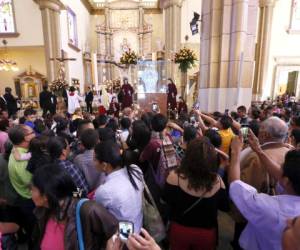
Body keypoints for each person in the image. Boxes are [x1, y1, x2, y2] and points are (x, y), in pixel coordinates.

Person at [229, 135, 300, 250]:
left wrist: (235, 152)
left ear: (287, 180)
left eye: (282, 167)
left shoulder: (268, 206)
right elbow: (282, 177)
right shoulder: (293, 184)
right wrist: (259, 150)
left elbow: (235, 185)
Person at [31, 164, 118, 250]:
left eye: (33, 189)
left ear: (46, 196)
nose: (30, 193)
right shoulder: (43, 211)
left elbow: (119, 232)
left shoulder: (89, 210)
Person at [163, 138, 229, 250]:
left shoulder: (174, 177)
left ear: (188, 157)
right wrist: (223, 166)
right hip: (206, 234)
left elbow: (165, 200)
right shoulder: (217, 182)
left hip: (180, 230)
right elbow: (225, 207)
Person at [94, 140, 144, 233]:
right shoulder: (135, 169)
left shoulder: (104, 191)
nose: (93, 162)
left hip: (125, 237)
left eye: (95, 159)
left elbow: (98, 214)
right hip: (139, 225)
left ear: (104, 165)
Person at [7, 124, 36, 247]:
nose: (34, 133)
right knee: (35, 231)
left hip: (25, 198)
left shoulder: (18, 152)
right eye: (32, 132)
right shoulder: (22, 164)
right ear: (26, 138)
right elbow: (33, 185)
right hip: (30, 201)